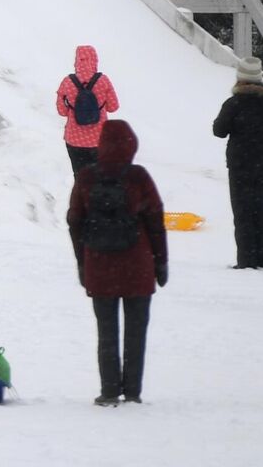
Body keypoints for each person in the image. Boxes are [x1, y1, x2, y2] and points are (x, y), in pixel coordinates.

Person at [67, 119, 167, 405]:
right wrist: (160, 263)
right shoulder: (139, 177)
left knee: (107, 332)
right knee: (136, 333)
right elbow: (155, 222)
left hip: (99, 266)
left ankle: (109, 391)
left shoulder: (87, 177)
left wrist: (82, 262)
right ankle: (133, 391)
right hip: (138, 266)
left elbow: (75, 220)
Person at [212, 55, 263, 269]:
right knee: (261, 211)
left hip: (239, 163)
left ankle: (246, 262)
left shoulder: (234, 103)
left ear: (240, 78)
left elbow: (219, 130)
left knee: (242, 212)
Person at [56, 44, 120, 175]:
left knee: (80, 177)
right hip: (99, 140)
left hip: (74, 140)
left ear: (77, 61)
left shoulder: (68, 82)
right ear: (95, 60)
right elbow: (113, 107)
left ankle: (81, 194)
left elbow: (61, 111)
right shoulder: (103, 81)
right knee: (99, 177)